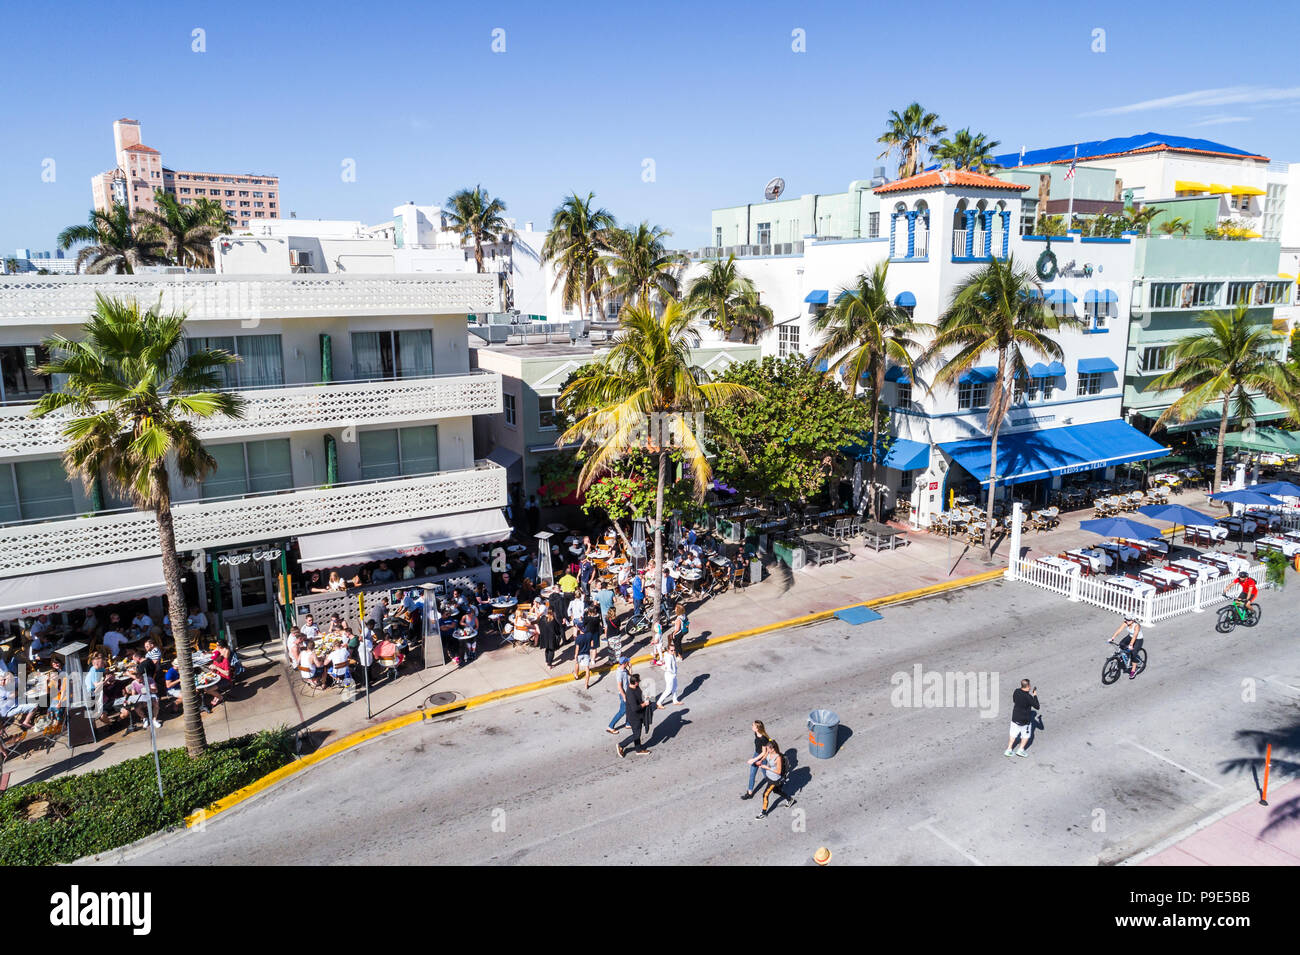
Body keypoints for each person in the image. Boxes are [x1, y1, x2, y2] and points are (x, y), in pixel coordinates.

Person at [754, 739, 796, 819]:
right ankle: (790, 799)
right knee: (776, 790)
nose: (767, 751)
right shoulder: (769, 752)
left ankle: (763, 812)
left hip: (774, 779)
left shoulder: (778, 758)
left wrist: (767, 767)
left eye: (768, 749)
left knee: (765, 794)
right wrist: (761, 760)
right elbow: (766, 755)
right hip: (769, 777)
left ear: (773, 749)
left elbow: (779, 771)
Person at [616, 673, 651, 757]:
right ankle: (621, 745)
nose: (639, 682)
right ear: (635, 682)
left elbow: (640, 695)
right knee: (636, 734)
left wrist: (645, 697)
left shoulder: (636, 687)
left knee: (637, 732)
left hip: (638, 715)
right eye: (638, 681)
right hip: (634, 717)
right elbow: (635, 708)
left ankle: (638, 749)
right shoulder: (630, 693)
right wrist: (645, 704)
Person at [1004, 679, 1040, 757]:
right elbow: (1037, 706)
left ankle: (1009, 750)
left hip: (1015, 718)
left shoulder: (1016, 691)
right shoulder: (1029, 697)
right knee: (1026, 736)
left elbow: (1014, 700)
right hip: (1024, 721)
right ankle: (1020, 750)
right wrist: (1035, 695)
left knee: (1013, 735)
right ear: (1028, 686)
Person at [742, 720, 775, 800]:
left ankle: (774, 785)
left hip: (762, 757)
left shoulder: (763, 739)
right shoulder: (756, 734)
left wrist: (754, 760)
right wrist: (755, 758)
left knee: (765, 774)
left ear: (757, 728)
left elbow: (764, 752)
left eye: (753, 726)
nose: (751, 726)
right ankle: (749, 793)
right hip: (757, 754)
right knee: (752, 774)